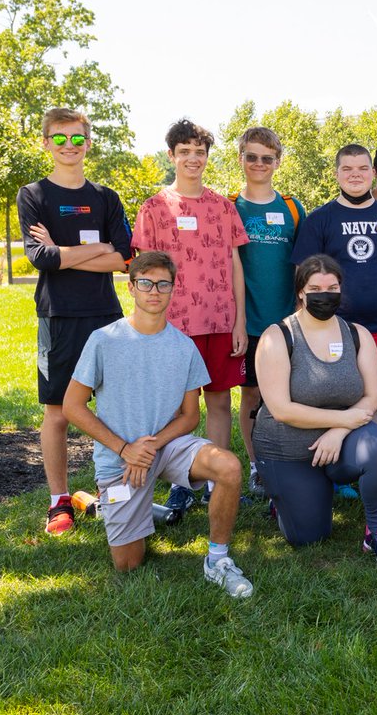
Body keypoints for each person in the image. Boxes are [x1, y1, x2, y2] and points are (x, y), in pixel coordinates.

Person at [62, 251, 253, 595]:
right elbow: (72, 407)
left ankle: (217, 559)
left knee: (228, 466)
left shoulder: (184, 347)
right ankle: (103, 503)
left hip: (165, 447)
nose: (154, 290)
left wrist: (148, 446)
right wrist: (125, 448)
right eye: (146, 283)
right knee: (128, 563)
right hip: (118, 458)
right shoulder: (104, 340)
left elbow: (191, 416)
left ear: (172, 289)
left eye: (163, 284)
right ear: (131, 287)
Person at [18, 107, 133, 535]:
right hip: (59, 316)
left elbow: (123, 259)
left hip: (106, 317)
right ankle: (59, 501)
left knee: (115, 408)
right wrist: (95, 249)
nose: (70, 146)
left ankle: (115, 490)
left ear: (89, 141)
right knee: (59, 412)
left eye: (77, 138)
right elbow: (40, 258)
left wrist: (66, 253)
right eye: (60, 138)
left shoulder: (106, 197)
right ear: (46, 143)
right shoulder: (33, 195)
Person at [132, 119, 248, 511]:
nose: (193, 159)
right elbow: (143, 271)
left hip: (219, 321)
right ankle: (180, 480)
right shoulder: (153, 209)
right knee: (177, 409)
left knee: (218, 402)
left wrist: (240, 322)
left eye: (200, 152)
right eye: (185, 152)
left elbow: (235, 265)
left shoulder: (223, 206)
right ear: (172, 155)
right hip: (173, 327)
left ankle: (217, 479)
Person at [252, 254, 377, 560]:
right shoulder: (277, 336)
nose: (325, 295)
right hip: (287, 448)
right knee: (310, 537)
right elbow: (281, 409)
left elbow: (372, 397)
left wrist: (338, 430)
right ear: (301, 293)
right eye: (316, 288)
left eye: (332, 287)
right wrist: (345, 417)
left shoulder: (358, 335)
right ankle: (282, 499)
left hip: (341, 441)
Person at [290, 143, 377, 438]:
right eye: (347, 169)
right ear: (336, 174)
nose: (355, 175)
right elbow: (303, 274)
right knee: (336, 402)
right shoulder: (320, 220)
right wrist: (304, 323)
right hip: (333, 328)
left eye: (362, 168)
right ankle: (339, 473)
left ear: (373, 173)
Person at [230, 126, 306, 497]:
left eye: (267, 158)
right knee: (251, 395)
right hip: (248, 321)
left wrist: (299, 311)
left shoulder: (292, 207)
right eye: (252, 156)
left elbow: (302, 265)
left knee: (292, 393)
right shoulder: (229, 207)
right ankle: (257, 464)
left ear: (278, 161)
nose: (259, 164)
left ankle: (290, 460)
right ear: (241, 158)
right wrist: (238, 321)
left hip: (288, 321)